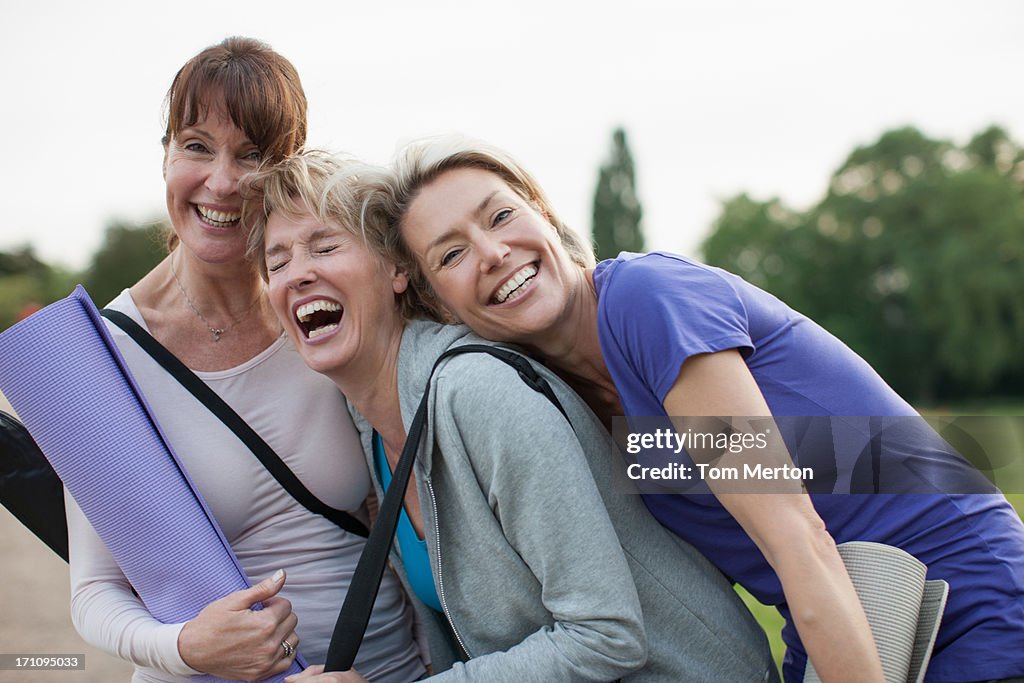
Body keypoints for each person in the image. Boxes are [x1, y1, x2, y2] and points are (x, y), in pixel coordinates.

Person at [364, 134, 1024, 683]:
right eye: (451, 253)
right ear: (437, 302)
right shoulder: (556, 399)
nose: (492, 252)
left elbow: (797, 537)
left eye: (501, 215)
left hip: (962, 601)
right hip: (847, 624)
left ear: (542, 211)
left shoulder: (648, 303)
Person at [241, 151, 778, 682]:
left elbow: (606, 636)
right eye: (277, 263)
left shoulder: (477, 392)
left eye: (324, 247)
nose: (297, 275)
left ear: (397, 269)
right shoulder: (372, 432)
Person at [66, 38, 424, 683]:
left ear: (289, 169)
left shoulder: (325, 310)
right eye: (197, 146)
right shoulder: (98, 355)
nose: (223, 182)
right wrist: (186, 647)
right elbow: (94, 592)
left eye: (253, 155)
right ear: (167, 154)